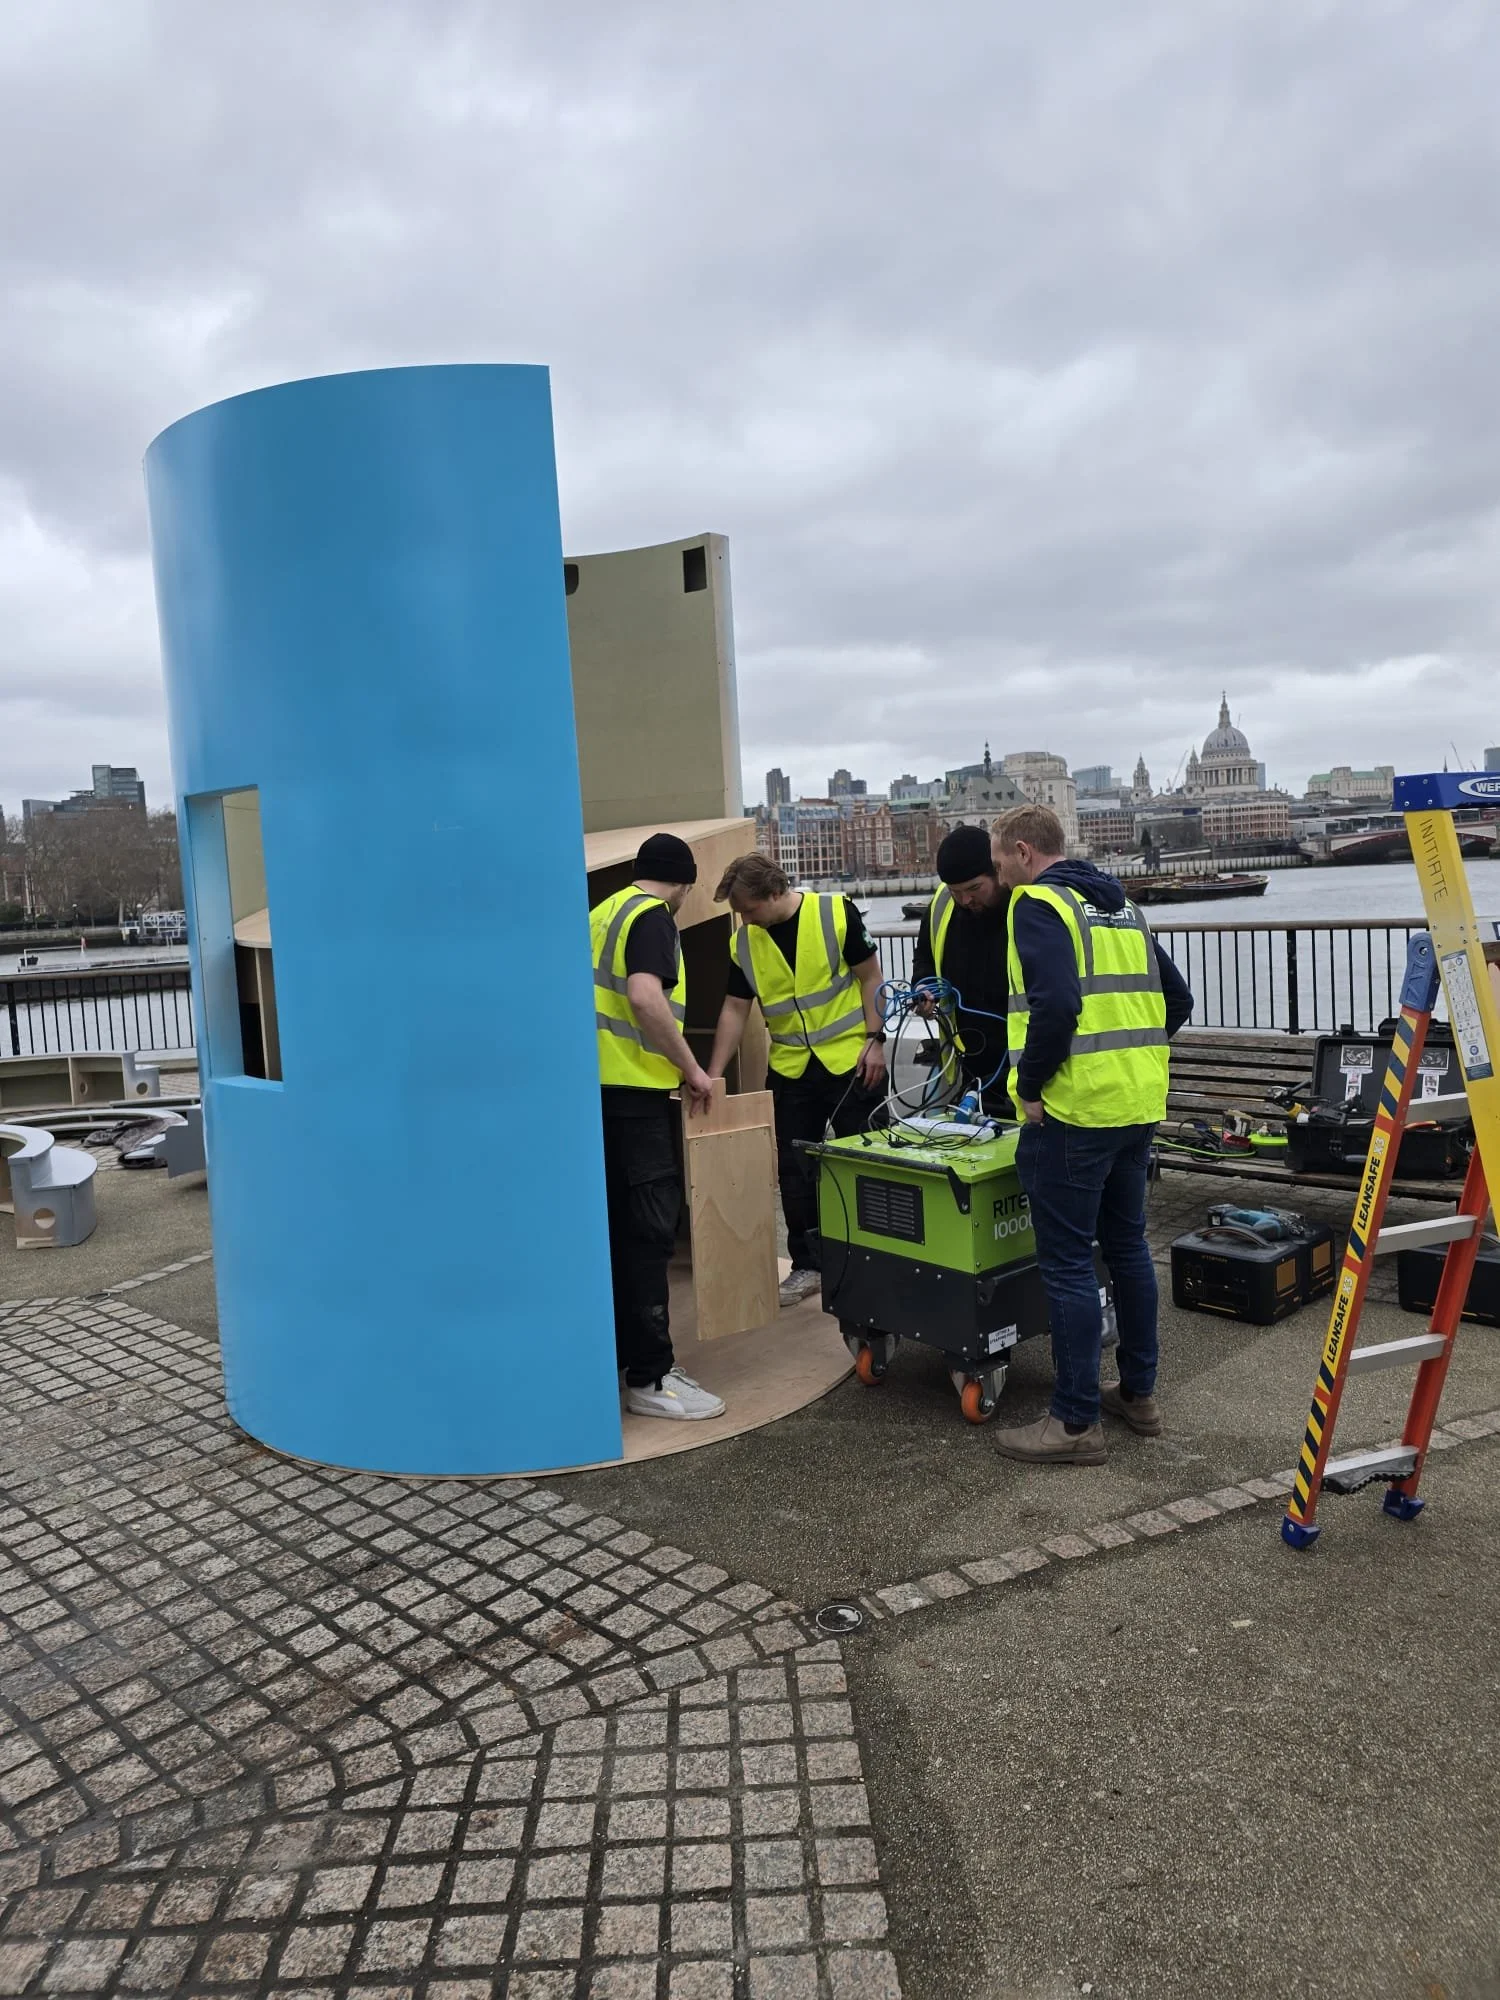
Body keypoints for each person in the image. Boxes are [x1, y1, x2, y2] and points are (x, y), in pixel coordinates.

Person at [988, 805, 1193, 1466]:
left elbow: (1057, 1005)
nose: (999, 878)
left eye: (998, 864)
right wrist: (1133, 1064)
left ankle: (1074, 1423)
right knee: (1129, 1249)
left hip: (1073, 1113)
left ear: (1022, 852)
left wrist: (1030, 1087)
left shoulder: (1039, 906)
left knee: (1070, 1262)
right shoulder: (1121, 908)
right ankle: (1137, 1394)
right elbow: (1178, 998)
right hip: (1136, 1104)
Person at [706, 853, 888, 1306]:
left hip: (853, 1060)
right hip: (791, 1068)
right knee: (794, 1171)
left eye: (748, 908)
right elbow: (734, 1008)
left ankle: (879, 1257)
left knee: (868, 1162)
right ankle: (808, 1265)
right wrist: (711, 1073)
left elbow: (872, 979)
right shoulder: (745, 942)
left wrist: (876, 1039)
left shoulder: (834, 913)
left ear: (773, 892)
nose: (743, 919)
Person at [591, 832, 726, 1421]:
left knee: (617, 1233)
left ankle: (624, 1359)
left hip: (592, 1096)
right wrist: (692, 1068)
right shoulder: (653, 918)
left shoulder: (601, 914)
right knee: (650, 1235)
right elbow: (647, 998)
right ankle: (651, 1377)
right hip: (635, 1092)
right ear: (686, 885)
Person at [910, 823, 1014, 1113]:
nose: (965, 900)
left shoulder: (1025, 903)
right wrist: (922, 989)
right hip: (967, 1064)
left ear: (996, 871)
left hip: (1019, 1062)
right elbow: (925, 960)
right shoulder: (942, 905)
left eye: (974, 889)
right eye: (956, 891)